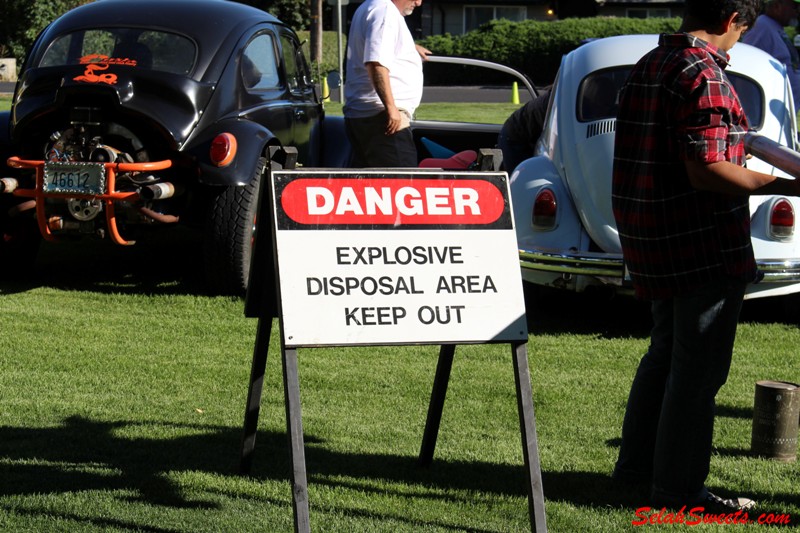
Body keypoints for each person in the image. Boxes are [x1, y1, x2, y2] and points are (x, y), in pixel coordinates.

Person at [611, 0, 800, 514]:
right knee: (697, 374)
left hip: (652, 235)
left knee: (664, 357)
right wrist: (789, 185)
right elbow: (708, 170)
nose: (740, 38)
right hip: (701, 242)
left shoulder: (650, 63)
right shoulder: (704, 73)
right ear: (728, 20)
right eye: (743, 28)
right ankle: (677, 491)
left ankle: (637, 470)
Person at [344, 0, 431, 167]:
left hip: (367, 114)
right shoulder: (384, 11)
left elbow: (375, 45)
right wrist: (391, 108)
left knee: (369, 186)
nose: (419, 3)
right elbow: (376, 63)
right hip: (381, 115)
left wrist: (409, 47)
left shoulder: (371, 6)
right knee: (400, 184)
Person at [742, 0, 800, 110]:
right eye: (794, 6)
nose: (797, 11)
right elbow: (747, 63)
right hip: (767, 108)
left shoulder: (773, 27)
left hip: (783, 109)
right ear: (777, 6)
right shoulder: (761, 26)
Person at [497, 88, 551, 174]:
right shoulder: (554, 102)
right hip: (514, 136)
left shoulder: (557, 99)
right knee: (517, 180)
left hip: (522, 133)